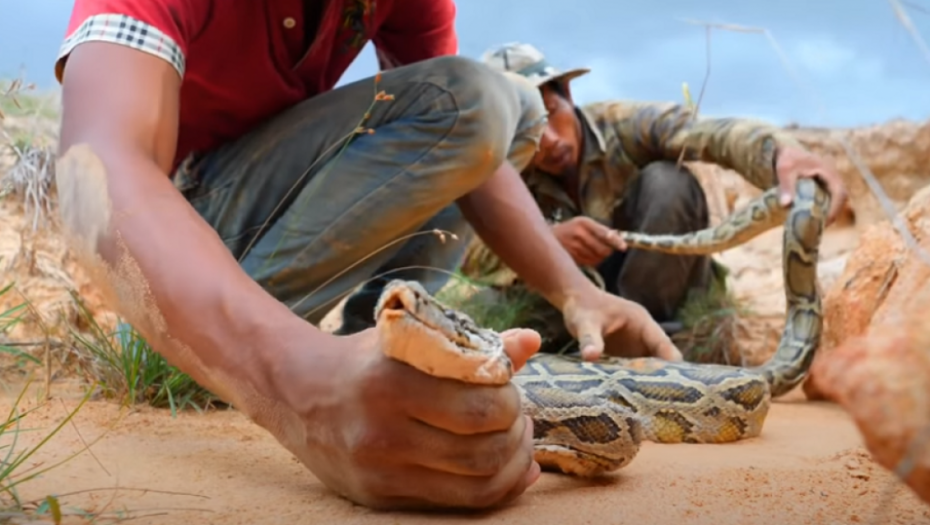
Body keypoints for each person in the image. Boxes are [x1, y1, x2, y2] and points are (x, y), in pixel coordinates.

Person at [52, 1, 684, 512]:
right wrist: (300, 387)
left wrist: (578, 292)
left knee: (502, 108)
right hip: (180, 220)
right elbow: (94, 170)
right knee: (487, 98)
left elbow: (474, 140)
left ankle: (375, 366)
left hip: (257, 207)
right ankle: (189, 347)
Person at [460, 42, 848, 356]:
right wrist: (549, 241)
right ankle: (597, 350)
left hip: (667, 292)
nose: (549, 141)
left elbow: (711, 134)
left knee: (668, 181)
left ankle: (650, 344)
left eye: (551, 114)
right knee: (490, 308)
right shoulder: (502, 168)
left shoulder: (623, 124)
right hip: (572, 305)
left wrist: (780, 153)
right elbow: (469, 253)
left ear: (568, 94)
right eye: (528, 130)